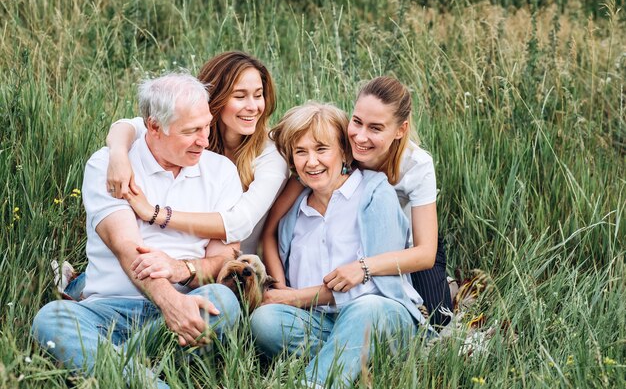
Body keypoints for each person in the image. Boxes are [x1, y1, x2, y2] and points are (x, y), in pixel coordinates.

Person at [31, 73, 243, 388]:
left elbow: (223, 258)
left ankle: (112, 369)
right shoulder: (111, 165)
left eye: (207, 126)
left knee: (223, 301)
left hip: (187, 304)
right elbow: (126, 247)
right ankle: (151, 378)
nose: (204, 139)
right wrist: (169, 303)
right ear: (153, 126)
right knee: (50, 319)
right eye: (191, 131)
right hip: (108, 310)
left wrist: (180, 269)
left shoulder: (221, 172)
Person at [250, 102, 431, 388]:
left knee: (366, 308)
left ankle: (316, 382)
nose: (311, 162)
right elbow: (269, 238)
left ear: (344, 152)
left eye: (322, 149)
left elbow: (378, 285)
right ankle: (357, 361)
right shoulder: (295, 210)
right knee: (264, 321)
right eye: (301, 152)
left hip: (380, 315)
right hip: (320, 323)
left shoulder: (374, 193)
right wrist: (281, 290)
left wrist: (295, 298)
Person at [262, 76, 452, 326]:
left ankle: (443, 289)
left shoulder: (417, 165)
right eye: (357, 122)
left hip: (409, 249)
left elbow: (425, 253)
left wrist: (364, 267)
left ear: (400, 130)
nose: (360, 137)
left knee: (439, 322)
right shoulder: (331, 153)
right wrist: (283, 292)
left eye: (375, 128)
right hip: (347, 273)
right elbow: (272, 228)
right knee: (268, 322)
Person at [106, 51, 289, 255]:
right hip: (185, 254)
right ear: (216, 98)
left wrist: (154, 213)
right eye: (240, 96)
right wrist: (118, 155)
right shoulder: (192, 133)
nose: (253, 107)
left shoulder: (271, 154)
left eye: (258, 95)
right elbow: (131, 125)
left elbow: (239, 224)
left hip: (235, 268)